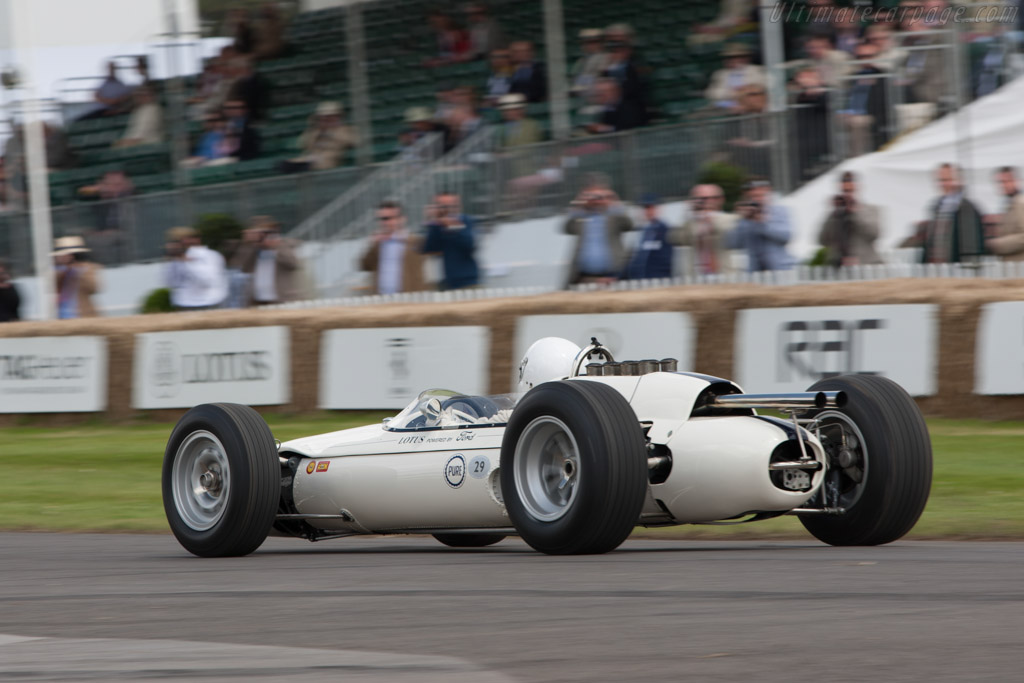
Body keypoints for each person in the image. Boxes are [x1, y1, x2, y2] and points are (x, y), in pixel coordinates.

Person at [902, 163, 986, 264]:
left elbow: (972, 244)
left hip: (958, 267)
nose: (944, 184)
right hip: (936, 268)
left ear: (959, 181)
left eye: (948, 180)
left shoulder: (967, 208)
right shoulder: (935, 206)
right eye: (941, 180)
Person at [563, 178, 634, 285]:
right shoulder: (581, 217)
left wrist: (614, 202)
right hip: (585, 277)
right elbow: (567, 228)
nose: (595, 199)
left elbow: (629, 225)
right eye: (591, 195)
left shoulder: (613, 215)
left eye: (599, 195)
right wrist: (578, 202)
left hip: (613, 274)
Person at [230, 217, 304, 306]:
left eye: (265, 233)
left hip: (282, 300)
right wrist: (247, 244)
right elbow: (241, 267)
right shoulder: (253, 249)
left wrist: (275, 246)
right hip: (257, 301)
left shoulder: (285, 245)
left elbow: (293, 264)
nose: (262, 237)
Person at [360, 200, 426, 295]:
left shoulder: (414, 241)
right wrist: (372, 244)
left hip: (408, 297)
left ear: (402, 219)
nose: (385, 222)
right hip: (382, 297)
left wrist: (399, 238)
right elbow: (364, 266)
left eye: (389, 218)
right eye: (382, 219)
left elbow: (430, 250)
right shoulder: (378, 243)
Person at [818, 171, 882, 267]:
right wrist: (834, 215)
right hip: (839, 266)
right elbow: (822, 240)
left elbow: (874, 234)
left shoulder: (871, 210)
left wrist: (855, 213)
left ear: (857, 189)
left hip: (866, 264)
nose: (847, 195)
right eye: (845, 191)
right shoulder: (834, 215)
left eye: (850, 191)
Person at [727, 179, 793, 271]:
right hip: (754, 272)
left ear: (768, 194)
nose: (757, 199)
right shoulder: (745, 218)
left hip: (779, 270)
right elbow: (733, 244)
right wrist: (739, 219)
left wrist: (762, 223)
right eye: (753, 196)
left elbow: (786, 236)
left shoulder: (780, 211)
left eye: (760, 195)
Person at [671, 184, 737, 276]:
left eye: (713, 198)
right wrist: (687, 213)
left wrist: (711, 221)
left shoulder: (731, 219)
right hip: (696, 277)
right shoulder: (690, 223)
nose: (708, 202)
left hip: (724, 275)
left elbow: (730, 234)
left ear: (721, 199)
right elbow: (676, 239)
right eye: (702, 199)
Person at [423, 193, 480, 290]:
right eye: (441, 205)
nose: (445, 209)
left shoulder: (466, 220)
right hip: (446, 284)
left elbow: (469, 245)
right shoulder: (438, 225)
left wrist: (451, 225)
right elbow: (429, 248)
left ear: (457, 206)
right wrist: (434, 223)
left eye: (448, 205)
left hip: (468, 283)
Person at [164, 226, 228, 311]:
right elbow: (171, 283)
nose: (182, 243)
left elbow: (208, 281)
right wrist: (174, 261)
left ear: (196, 239)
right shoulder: (178, 259)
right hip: (183, 303)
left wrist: (188, 263)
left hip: (208, 302)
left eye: (184, 239)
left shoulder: (210, 256)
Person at [282, 101, 358, 172]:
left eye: (330, 116)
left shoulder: (345, 130)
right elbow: (302, 144)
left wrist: (330, 132)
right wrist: (316, 129)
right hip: (309, 158)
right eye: (323, 117)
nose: (326, 119)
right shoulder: (315, 131)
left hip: (328, 160)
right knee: (286, 165)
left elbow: (351, 141)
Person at [624, 194, 672, 280]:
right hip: (639, 280)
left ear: (657, 209)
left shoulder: (664, 230)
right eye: (645, 208)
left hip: (656, 281)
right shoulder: (640, 230)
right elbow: (634, 259)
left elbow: (666, 260)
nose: (648, 211)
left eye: (651, 207)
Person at [704, 43, 764, 111]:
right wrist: (732, 93)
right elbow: (711, 94)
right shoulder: (720, 74)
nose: (731, 60)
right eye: (728, 58)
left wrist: (746, 91)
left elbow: (762, 89)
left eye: (736, 57)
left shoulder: (758, 71)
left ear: (746, 58)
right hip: (727, 108)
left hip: (753, 109)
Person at [53, 236, 102, 319]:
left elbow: (94, 288)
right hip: (61, 317)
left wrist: (77, 272)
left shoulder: (88, 269)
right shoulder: (57, 271)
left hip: (83, 315)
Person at [985, 166, 1024, 261]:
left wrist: (995, 245)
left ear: (1016, 181)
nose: (1004, 185)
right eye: (1001, 182)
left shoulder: (1020, 203)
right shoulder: (1009, 204)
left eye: (1007, 181)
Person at [571, 29, 610, 99]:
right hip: (581, 95)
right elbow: (574, 80)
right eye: (584, 42)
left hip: (598, 96)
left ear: (600, 43)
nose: (587, 45)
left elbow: (599, 79)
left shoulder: (606, 58)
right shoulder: (580, 61)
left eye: (592, 42)